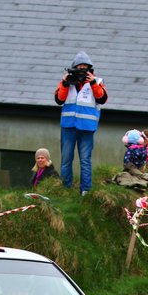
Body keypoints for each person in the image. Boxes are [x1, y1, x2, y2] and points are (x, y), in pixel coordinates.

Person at [55, 51, 108, 195]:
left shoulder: (97, 81)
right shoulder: (67, 82)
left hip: (86, 127)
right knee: (66, 159)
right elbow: (59, 99)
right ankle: (65, 189)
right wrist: (65, 83)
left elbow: (102, 98)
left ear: (90, 69)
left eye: (85, 67)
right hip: (68, 126)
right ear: (74, 68)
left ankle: (86, 190)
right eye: (79, 66)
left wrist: (92, 82)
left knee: (85, 160)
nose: (82, 69)